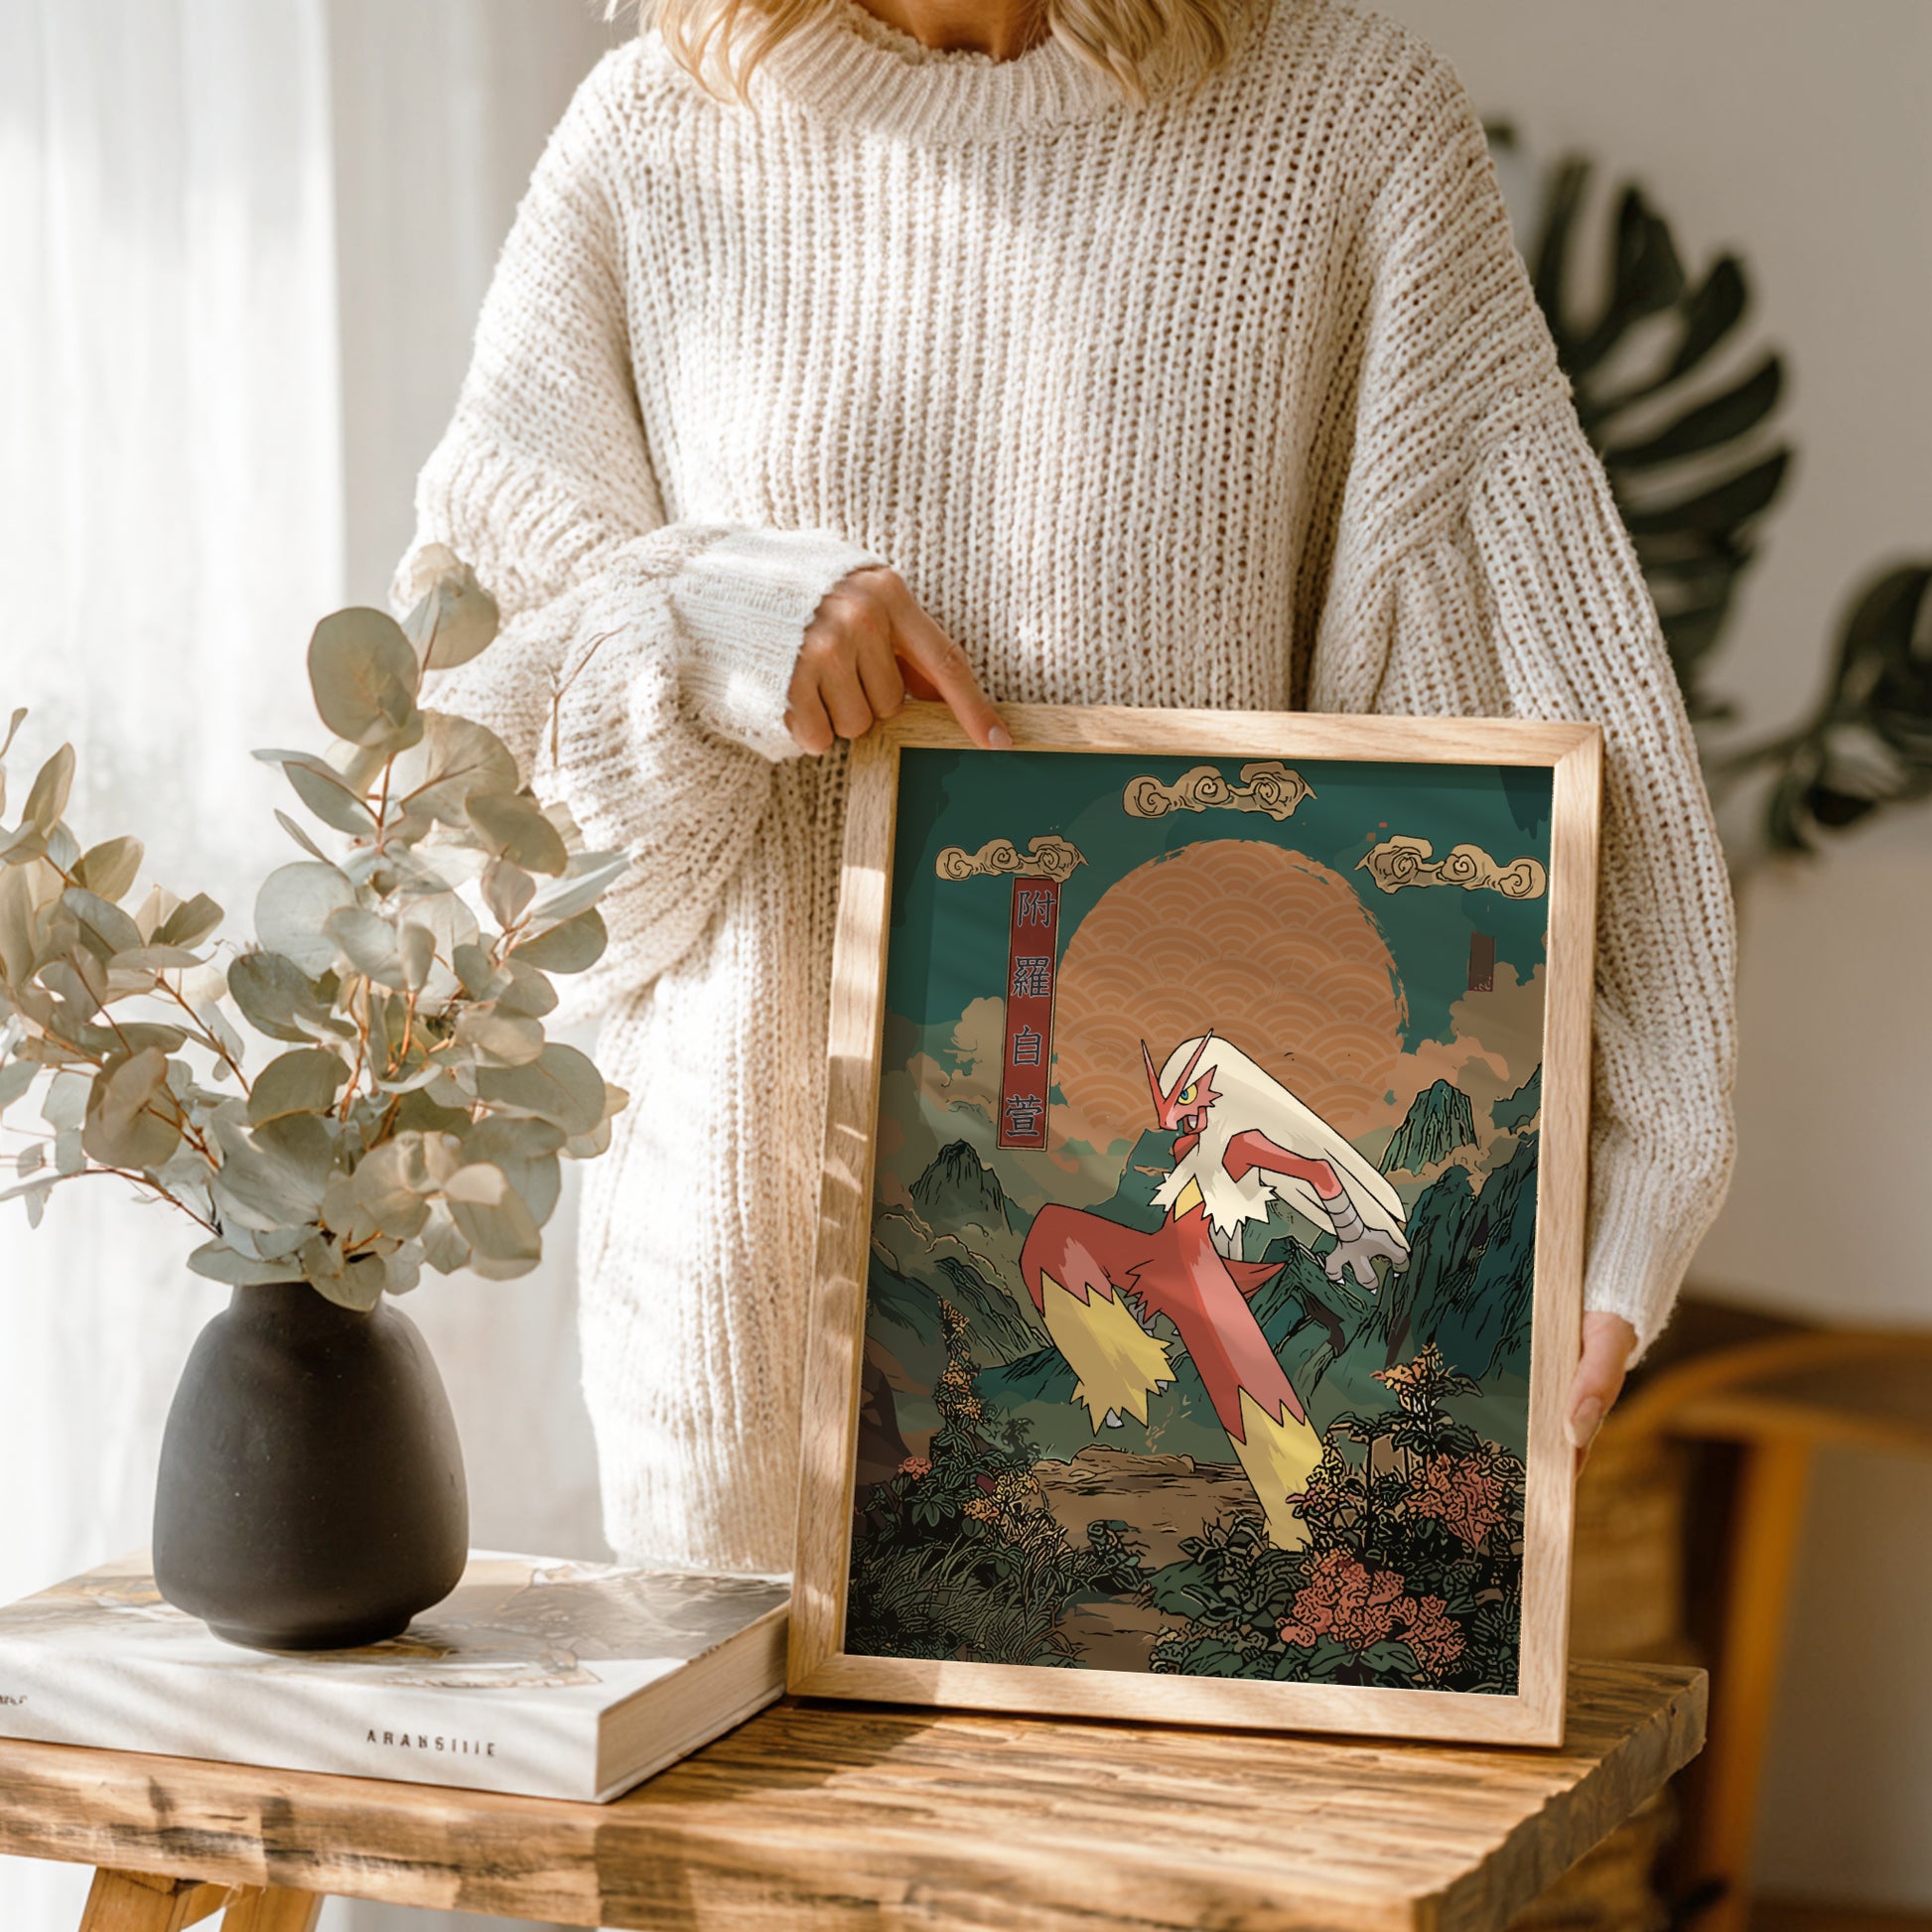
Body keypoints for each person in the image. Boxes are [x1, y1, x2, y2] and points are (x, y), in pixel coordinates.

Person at [391, 0, 1736, 1577]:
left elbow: (1524, 707)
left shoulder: (1344, 129)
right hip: (735, 1358)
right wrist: (704, 622)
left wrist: (1626, 1172)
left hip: (1205, 1485)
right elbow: (465, 825)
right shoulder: (648, 143)